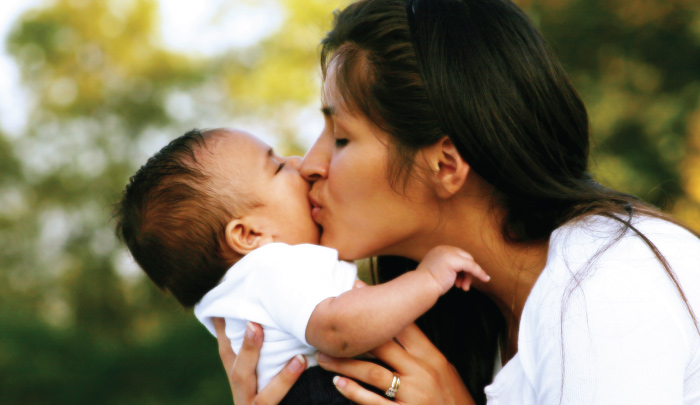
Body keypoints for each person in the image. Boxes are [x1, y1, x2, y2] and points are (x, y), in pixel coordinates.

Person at [216, 0, 700, 404]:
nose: (308, 165)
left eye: (341, 137)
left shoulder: (605, 285)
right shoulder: (462, 321)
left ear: (445, 165)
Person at [113, 127, 490, 403]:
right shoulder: (270, 267)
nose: (300, 163)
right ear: (248, 235)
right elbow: (337, 328)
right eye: (277, 167)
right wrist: (427, 278)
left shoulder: (248, 287)